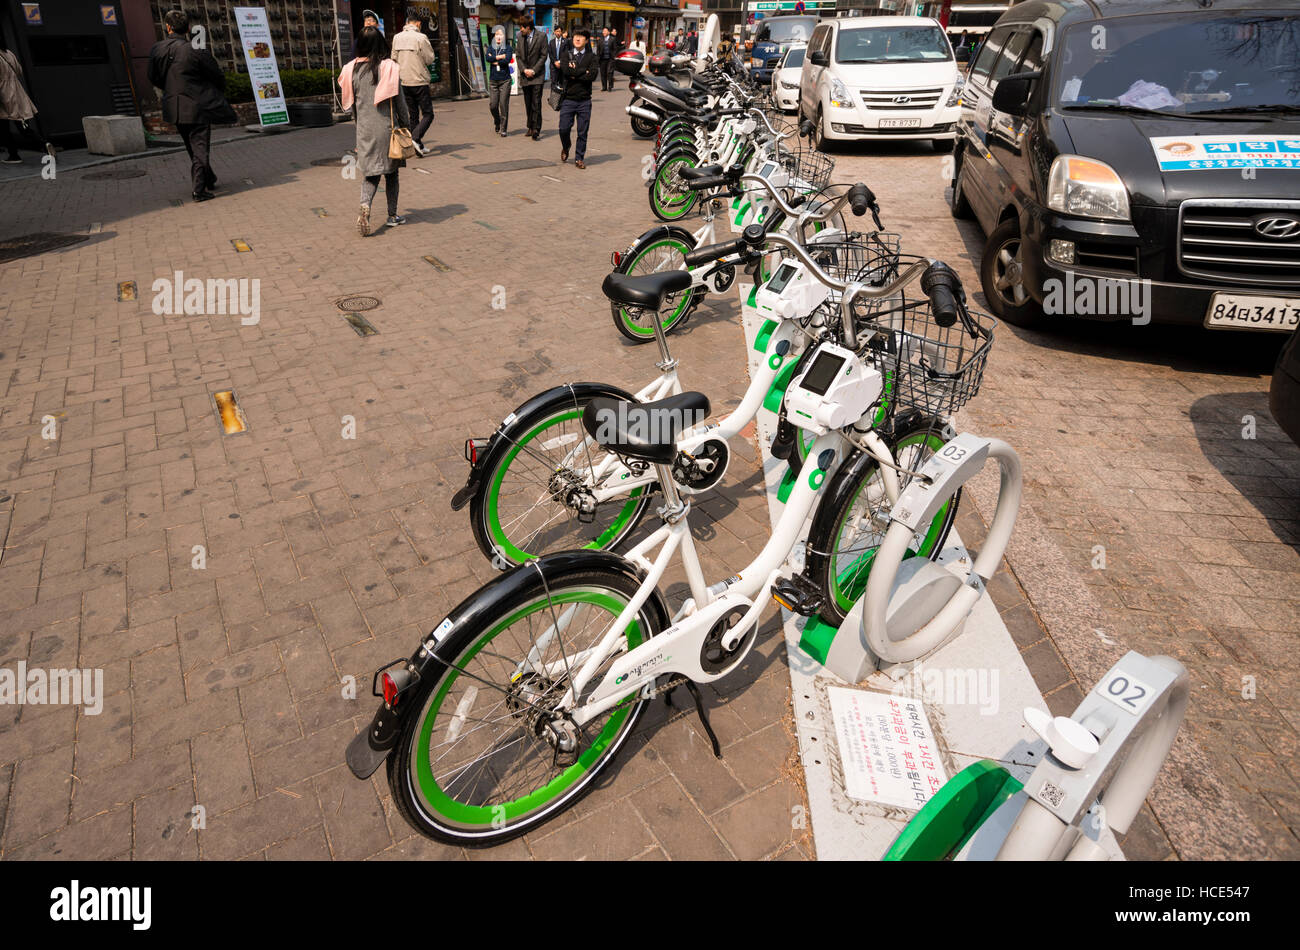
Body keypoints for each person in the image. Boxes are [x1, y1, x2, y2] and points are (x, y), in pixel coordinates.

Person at [147, 9, 236, 202]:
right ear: (188, 28)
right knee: (200, 147)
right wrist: (214, 92)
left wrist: (171, 89)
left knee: (192, 146)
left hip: (174, 106)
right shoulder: (195, 49)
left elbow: (153, 77)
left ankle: (208, 178)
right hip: (197, 106)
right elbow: (216, 76)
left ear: (168, 27)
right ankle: (199, 190)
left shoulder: (157, 49)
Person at [339, 26, 409, 236]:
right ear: (380, 43)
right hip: (387, 128)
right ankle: (392, 215)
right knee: (392, 173)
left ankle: (365, 205)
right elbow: (400, 103)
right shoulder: (389, 68)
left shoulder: (350, 71)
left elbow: (353, 107)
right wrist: (406, 125)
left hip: (364, 130)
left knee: (370, 174)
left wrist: (358, 129)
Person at [0, 37, 53, 164]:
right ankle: (43, 145)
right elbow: (19, 71)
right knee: (21, 125)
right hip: (17, 92)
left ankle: (16, 154)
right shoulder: (8, 53)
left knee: (5, 128)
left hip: (4, 95)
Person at [390, 15, 435, 156]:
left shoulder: (396, 37)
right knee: (428, 114)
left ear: (406, 22)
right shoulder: (421, 38)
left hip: (403, 81)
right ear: (418, 23)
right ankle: (415, 138)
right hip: (419, 80)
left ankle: (419, 145)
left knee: (413, 115)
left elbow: (393, 58)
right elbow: (429, 59)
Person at [556, 28, 598, 169]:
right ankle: (566, 146)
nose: (577, 39)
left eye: (581, 37)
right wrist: (582, 71)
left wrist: (575, 72)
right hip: (568, 99)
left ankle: (579, 158)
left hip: (584, 100)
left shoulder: (592, 57)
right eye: (575, 36)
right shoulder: (565, 55)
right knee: (563, 128)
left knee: (582, 131)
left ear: (586, 41)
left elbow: (591, 76)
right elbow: (566, 72)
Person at [516, 16, 547, 140]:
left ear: (528, 27)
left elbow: (544, 56)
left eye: (522, 27)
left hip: (537, 75)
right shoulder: (520, 37)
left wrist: (534, 70)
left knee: (536, 103)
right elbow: (518, 56)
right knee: (528, 103)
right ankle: (530, 125)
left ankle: (536, 129)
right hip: (525, 76)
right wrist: (524, 70)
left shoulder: (542, 36)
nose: (520, 30)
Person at [486, 27, 513, 136]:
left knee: (503, 104)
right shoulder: (490, 48)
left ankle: (503, 128)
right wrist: (499, 57)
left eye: (500, 35)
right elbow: (487, 59)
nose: (498, 36)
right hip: (493, 80)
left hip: (505, 80)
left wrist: (495, 59)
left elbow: (507, 59)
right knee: (493, 105)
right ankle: (497, 121)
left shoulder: (508, 48)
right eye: (496, 34)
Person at [597, 27, 616, 93]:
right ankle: (604, 87)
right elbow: (598, 50)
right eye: (603, 31)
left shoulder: (612, 39)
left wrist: (614, 57)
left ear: (609, 32)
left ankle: (610, 86)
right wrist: (598, 57)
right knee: (603, 73)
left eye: (605, 31)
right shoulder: (600, 40)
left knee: (609, 72)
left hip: (610, 59)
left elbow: (614, 49)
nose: (604, 32)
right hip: (602, 59)